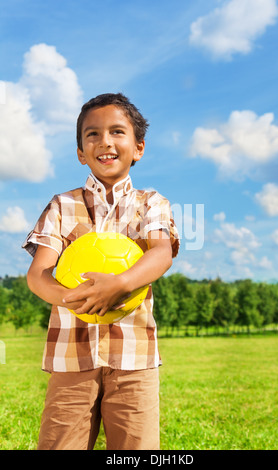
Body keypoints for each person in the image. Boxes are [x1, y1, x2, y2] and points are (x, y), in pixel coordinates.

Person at [23, 93, 180, 450]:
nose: (105, 141)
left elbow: (160, 253)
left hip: (134, 359)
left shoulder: (151, 203)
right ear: (81, 152)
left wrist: (121, 284)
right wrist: (77, 297)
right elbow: (38, 275)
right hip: (70, 359)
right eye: (92, 134)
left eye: (117, 132)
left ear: (138, 147)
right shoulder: (63, 205)